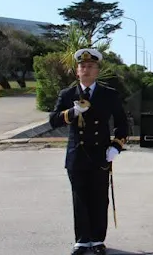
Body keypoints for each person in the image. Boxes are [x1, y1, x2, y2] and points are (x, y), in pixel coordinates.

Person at [49, 48, 128, 255]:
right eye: (82, 66)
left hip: (100, 154)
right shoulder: (67, 94)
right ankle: (82, 241)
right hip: (76, 155)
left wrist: (116, 146)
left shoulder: (109, 94)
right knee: (80, 197)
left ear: (97, 71)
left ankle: (97, 240)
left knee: (100, 198)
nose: (86, 69)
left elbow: (122, 123)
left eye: (90, 66)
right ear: (77, 71)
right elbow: (53, 120)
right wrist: (72, 112)